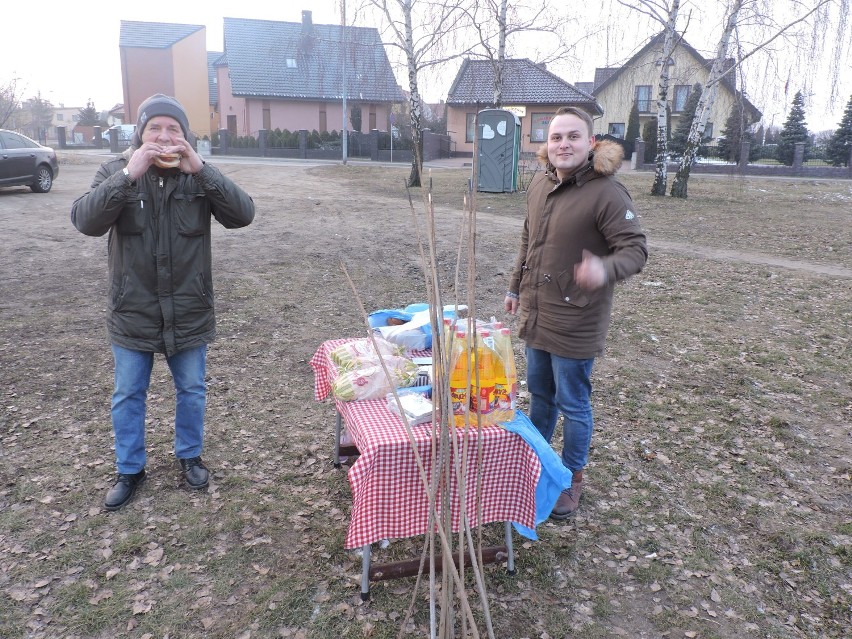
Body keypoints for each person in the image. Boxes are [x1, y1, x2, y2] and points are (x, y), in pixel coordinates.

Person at [71, 94, 255, 511]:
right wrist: (126, 176)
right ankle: (130, 469)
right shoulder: (115, 171)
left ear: (186, 137)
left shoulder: (198, 177)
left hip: (188, 308)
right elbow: (85, 221)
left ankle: (189, 456)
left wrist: (204, 170)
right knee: (128, 394)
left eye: (173, 129)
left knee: (191, 389)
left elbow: (243, 214)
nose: (164, 136)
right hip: (132, 309)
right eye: (154, 128)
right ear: (140, 134)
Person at [504, 106, 647, 519]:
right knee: (541, 395)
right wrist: (515, 287)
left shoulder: (607, 192)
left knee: (573, 402)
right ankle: (539, 463)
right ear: (546, 146)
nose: (563, 144)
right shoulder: (539, 183)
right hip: (537, 312)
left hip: (578, 318)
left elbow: (635, 251)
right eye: (556, 137)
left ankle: (571, 477)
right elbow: (529, 240)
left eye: (573, 136)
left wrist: (603, 269)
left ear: (591, 143)